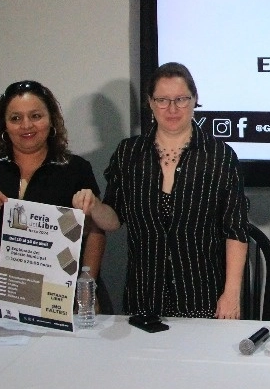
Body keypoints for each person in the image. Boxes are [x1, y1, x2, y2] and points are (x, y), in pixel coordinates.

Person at [84, 62, 249, 319]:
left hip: (204, 296)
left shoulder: (220, 156)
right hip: (144, 296)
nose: (172, 109)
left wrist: (231, 293)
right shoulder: (129, 154)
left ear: (195, 100)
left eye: (181, 99)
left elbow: (235, 230)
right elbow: (114, 219)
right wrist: (94, 207)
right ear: (150, 103)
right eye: (162, 100)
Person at [0, 81, 105, 311]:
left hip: (53, 295)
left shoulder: (75, 168)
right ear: (4, 125)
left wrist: (87, 287)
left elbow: (94, 232)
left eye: (36, 116)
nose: (26, 125)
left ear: (51, 121)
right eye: (15, 118)